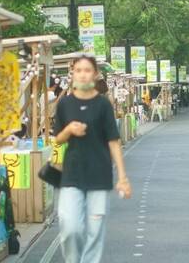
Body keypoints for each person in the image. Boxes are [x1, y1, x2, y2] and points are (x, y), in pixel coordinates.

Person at [54, 55, 132, 263]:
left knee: (95, 232)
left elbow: (114, 141)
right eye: (78, 70)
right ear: (73, 74)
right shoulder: (65, 104)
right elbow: (58, 139)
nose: (82, 74)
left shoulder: (103, 105)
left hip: (99, 176)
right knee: (70, 228)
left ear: (95, 74)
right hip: (72, 175)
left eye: (87, 70)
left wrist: (122, 177)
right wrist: (69, 129)